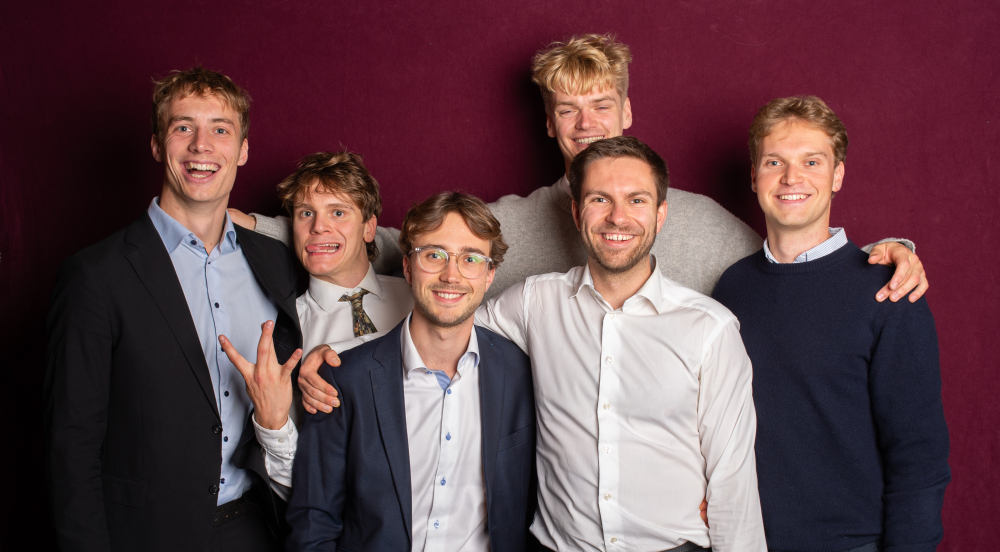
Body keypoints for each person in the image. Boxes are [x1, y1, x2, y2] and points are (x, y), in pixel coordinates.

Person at [238, 34, 926, 304]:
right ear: (549, 123)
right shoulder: (509, 223)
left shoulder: (697, 221)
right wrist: (254, 226)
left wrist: (885, 256)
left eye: (600, 105)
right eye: (568, 110)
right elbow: (398, 245)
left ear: (626, 111)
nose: (586, 123)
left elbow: (792, 263)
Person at [473, 136, 767, 552]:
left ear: (661, 214)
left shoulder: (709, 329)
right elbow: (442, 332)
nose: (617, 217)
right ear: (575, 211)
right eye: (599, 199)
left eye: (636, 200)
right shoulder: (535, 303)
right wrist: (336, 354)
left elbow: (733, 481)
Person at [44, 67, 301, 552]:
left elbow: (363, 256)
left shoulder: (276, 262)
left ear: (243, 149)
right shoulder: (96, 276)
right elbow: (69, 445)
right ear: (159, 146)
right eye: (184, 128)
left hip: (254, 550)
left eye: (220, 129)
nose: (202, 145)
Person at [712, 96, 950, 552]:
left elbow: (919, 454)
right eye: (774, 162)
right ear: (754, 175)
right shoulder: (731, 289)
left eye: (812, 162)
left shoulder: (887, 291)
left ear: (838, 175)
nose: (792, 178)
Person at [284, 192, 536, 552]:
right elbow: (313, 522)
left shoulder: (521, 374)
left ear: (490, 275)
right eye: (433, 254)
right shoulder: (344, 378)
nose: (451, 274)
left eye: (470, 258)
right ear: (407, 265)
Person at [220, 151, 412, 500]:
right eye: (306, 213)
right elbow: (296, 487)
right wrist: (272, 422)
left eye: (338, 212)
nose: (318, 227)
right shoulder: (279, 332)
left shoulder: (420, 299)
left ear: (370, 228)